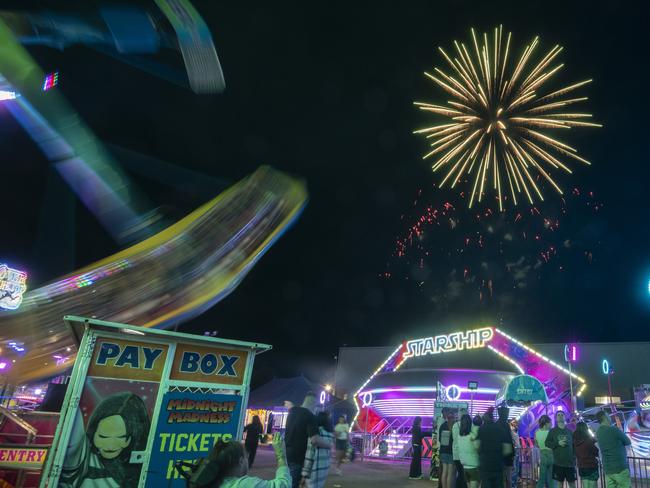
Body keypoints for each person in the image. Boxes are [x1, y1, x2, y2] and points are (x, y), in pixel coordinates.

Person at [60, 392, 150, 487]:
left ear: (132, 437)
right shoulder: (84, 455)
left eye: (121, 437)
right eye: (103, 437)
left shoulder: (141, 465)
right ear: (93, 432)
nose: (110, 446)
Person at [197, 432, 291, 488]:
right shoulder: (243, 484)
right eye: (246, 457)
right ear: (241, 461)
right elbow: (283, 485)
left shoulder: (212, 481)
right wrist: (281, 456)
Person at [285, 393, 329, 488]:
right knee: (293, 484)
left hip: (287, 455)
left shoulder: (292, 411)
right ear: (314, 404)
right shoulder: (310, 416)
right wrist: (329, 445)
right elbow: (314, 440)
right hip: (298, 458)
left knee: (286, 482)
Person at [475, 407, 513, 488]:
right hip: (497, 466)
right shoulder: (500, 429)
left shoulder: (481, 429)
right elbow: (507, 449)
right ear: (493, 418)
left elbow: (476, 446)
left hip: (485, 465)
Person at [595, 410, 632, 488]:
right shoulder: (613, 429)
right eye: (608, 415)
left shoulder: (598, 432)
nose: (610, 416)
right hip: (619, 467)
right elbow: (628, 441)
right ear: (604, 417)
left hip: (608, 469)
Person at [301, 412, 334, 488]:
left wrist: (305, 474)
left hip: (314, 470)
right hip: (324, 469)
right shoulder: (330, 435)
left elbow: (310, 454)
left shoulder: (316, 433)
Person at [545, 411, 576, 488]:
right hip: (558, 463)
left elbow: (574, 445)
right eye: (558, 415)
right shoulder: (552, 431)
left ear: (565, 417)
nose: (560, 416)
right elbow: (547, 443)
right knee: (559, 485)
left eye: (562, 415)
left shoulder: (569, 431)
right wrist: (558, 443)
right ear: (555, 418)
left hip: (570, 463)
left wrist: (574, 457)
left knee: (572, 485)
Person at [573, 421, 599, 488]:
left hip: (581, 466)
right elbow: (596, 452)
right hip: (591, 465)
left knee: (585, 485)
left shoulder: (575, 441)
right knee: (592, 486)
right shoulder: (588, 440)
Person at [458, 414, 480, 488]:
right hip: (474, 466)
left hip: (464, 466)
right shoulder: (472, 436)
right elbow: (478, 447)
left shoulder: (459, 436)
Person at [534, 415, 555, 488]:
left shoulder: (536, 432)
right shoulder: (551, 432)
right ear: (546, 424)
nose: (551, 424)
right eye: (550, 423)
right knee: (551, 478)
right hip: (551, 455)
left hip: (542, 455)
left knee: (541, 478)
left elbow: (536, 444)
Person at [497, 406, 515, 488]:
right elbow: (509, 440)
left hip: (499, 454)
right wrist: (512, 454)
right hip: (507, 455)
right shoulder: (506, 425)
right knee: (508, 477)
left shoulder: (497, 424)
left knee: (502, 478)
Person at [439, 411, 457, 488]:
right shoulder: (454, 426)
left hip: (443, 451)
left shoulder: (442, 426)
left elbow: (440, 439)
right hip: (451, 451)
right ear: (453, 418)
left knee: (444, 472)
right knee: (450, 473)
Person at [453, 409, 468, 488]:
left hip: (455, 454)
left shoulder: (455, 425)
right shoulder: (468, 425)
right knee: (463, 474)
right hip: (464, 454)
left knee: (460, 473)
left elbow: (453, 438)